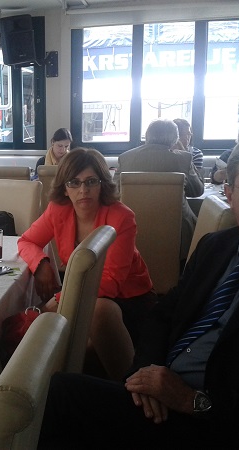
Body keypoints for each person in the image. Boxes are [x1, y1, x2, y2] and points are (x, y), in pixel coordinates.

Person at [38, 132, 239, 448]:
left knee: (61, 397)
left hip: (221, 421)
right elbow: (164, 314)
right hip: (164, 393)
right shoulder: (216, 246)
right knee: (56, 388)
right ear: (229, 194)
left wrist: (193, 400)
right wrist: (145, 373)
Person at [18, 148, 155, 380]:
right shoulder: (58, 210)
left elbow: (110, 283)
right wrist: (42, 264)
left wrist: (59, 299)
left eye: (91, 181)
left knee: (68, 346)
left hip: (129, 301)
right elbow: (27, 241)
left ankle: (127, 388)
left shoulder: (121, 216)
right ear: (65, 188)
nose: (83, 190)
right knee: (53, 348)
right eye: (74, 182)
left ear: (102, 184)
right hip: (84, 294)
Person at [116, 119, 204, 262]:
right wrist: (185, 153)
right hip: (180, 233)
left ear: (147, 136)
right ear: (175, 139)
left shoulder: (125, 158)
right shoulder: (184, 158)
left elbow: (114, 192)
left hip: (133, 229)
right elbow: (197, 191)